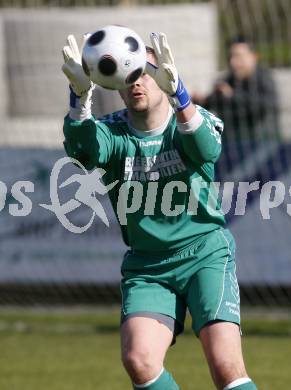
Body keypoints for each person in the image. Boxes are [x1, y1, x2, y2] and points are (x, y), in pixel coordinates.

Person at [62, 32, 258, 390]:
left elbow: (205, 150)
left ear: (163, 76)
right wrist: (79, 101)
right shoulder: (113, 132)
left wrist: (181, 96)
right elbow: (81, 153)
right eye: (128, 76)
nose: (137, 83)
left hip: (205, 254)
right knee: (139, 361)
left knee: (226, 368)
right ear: (116, 84)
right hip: (148, 265)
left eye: (145, 73)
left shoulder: (192, 120)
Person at [192, 37, 280, 176]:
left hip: (262, 152)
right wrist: (198, 102)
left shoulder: (264, 79)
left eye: (239, 57)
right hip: (231, 152)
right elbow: (212, 104)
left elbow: (264, 107)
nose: (233, 62)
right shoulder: (227, 81)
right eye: (231, 57)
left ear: (253, 57)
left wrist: (233, 97)